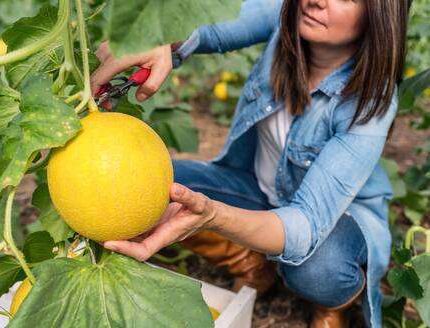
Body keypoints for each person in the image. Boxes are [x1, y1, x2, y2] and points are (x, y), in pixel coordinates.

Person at [90, 0, 410, 327]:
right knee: (149, 189)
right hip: (258, 188)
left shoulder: (372, 103)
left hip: (337, 220)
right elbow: (210, 24)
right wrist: (159, 37)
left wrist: (214, 216)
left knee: (317, 269)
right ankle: (252, 263)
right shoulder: (290, 13)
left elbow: (305, 225)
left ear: (379, 15)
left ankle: (334, 303)